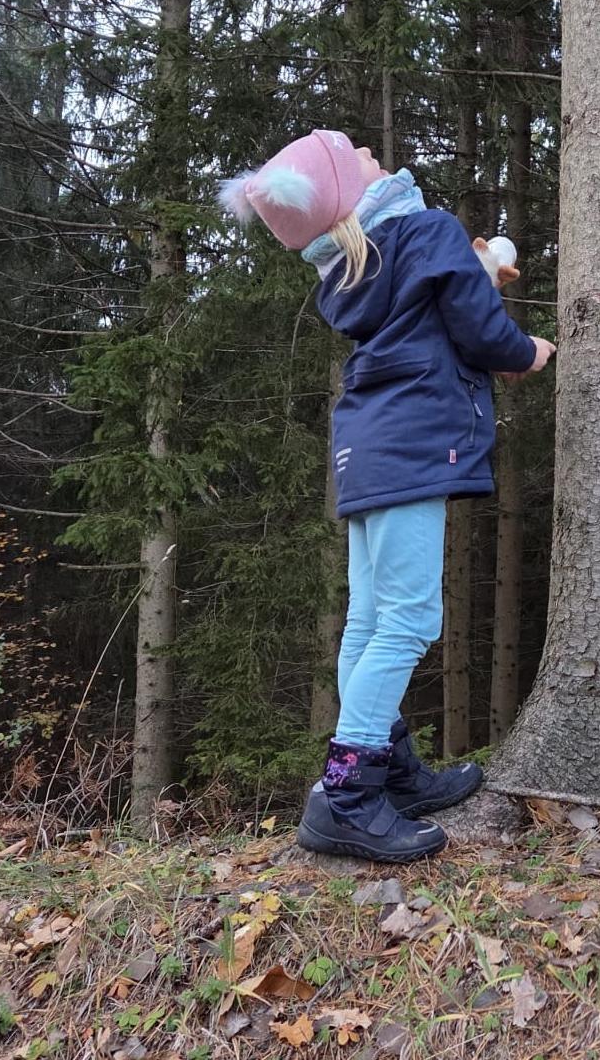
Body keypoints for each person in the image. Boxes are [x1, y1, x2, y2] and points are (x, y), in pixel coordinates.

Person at [219, 129, 554, 862]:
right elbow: (476, 326)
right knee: (408, 618)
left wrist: (468, 274)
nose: (375, 151)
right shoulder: (425, 231)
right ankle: (346, 791)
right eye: (360, 154)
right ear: (355, 190)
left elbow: (429, 311)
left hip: (364, 452)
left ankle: (389, 767)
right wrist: (527, 350)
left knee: (369, 619)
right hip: (410, 446)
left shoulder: (351, 270)